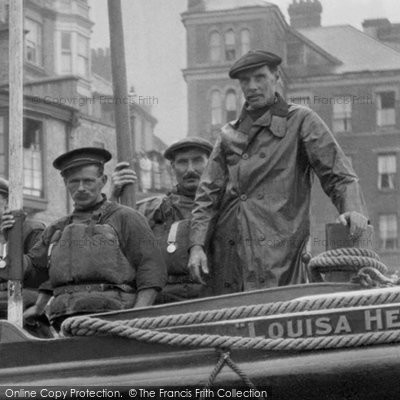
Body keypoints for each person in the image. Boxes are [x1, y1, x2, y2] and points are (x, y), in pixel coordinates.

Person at [188, 49, 369, 295]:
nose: (252, 86)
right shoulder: (228, 134)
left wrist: (353, 210)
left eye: (260, 77)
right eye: (245, 81)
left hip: (280, 249)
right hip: (229, 250)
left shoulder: (301, 120)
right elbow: (207, 194)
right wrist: (197, 245)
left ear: (276, 77)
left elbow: (339, 174)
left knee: (278, 315)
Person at [1, 147, 167, 331]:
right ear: (66, 183)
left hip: (116, 320)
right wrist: (11, 237)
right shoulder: (57, 229)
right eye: (74, 182)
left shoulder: (126, 218)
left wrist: (138, 317)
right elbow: (31, 271)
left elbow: (152, 269)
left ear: (102, 181)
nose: (81, 188)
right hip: (65, 323)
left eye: (88, 181)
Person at [112, 137, 213, 303]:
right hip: (164, 304)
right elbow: (112, 242)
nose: (190, 169)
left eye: (197, 161)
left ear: (210, 164)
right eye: (182, 162)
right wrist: (114, 196)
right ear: (172, 167)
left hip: (216, 299)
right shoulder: (150, 210)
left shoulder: (226, 208)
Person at [0, 178, 45, 316]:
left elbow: (39, 275)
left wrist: (7, 241)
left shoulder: (33, 229)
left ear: (8, 204)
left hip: (25, 303)